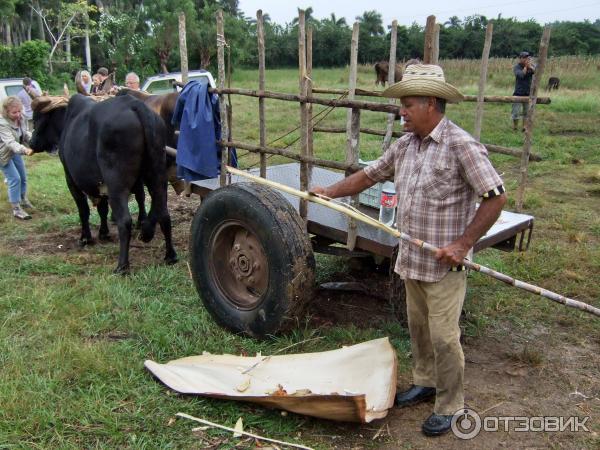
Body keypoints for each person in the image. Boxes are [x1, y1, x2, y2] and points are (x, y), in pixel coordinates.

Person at [311, 64, 507, 437]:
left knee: (445, 336)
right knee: (418, 328)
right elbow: (369, 176)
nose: (401, 111)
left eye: (408, 104)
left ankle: (450, 405)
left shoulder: (460, 145)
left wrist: (463, 244)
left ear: (430, 103)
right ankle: (426, 381)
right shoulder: (404, 146)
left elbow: (495, 196)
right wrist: (330, 191)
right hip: (412, 258)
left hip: (445, 265)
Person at [0, 96, 35, 220]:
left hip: (15, 152)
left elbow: (25, 133)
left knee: (23, 177)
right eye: (14, 112)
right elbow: (10, 142)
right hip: (3, 154)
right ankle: (16, 208)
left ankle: (23, 199)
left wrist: (34, 141)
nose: (18, 114)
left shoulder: (21, 118)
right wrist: (24, 149)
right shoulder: (2, 123)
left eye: (19, 111)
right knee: (15, 179)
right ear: (6, 111)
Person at [512, 51, 536, 131]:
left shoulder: (531, 66)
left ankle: (524, 127)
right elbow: (521, 75)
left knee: (526, 112)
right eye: (524, 58)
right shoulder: (517, 67)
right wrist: (526, 67)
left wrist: (530, 66)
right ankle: (515, 127)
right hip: (518, 93)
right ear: (520, 59)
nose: (526, 60)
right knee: (516, 112)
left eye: (527, 58)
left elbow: (536, 72)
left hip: (528, 93)